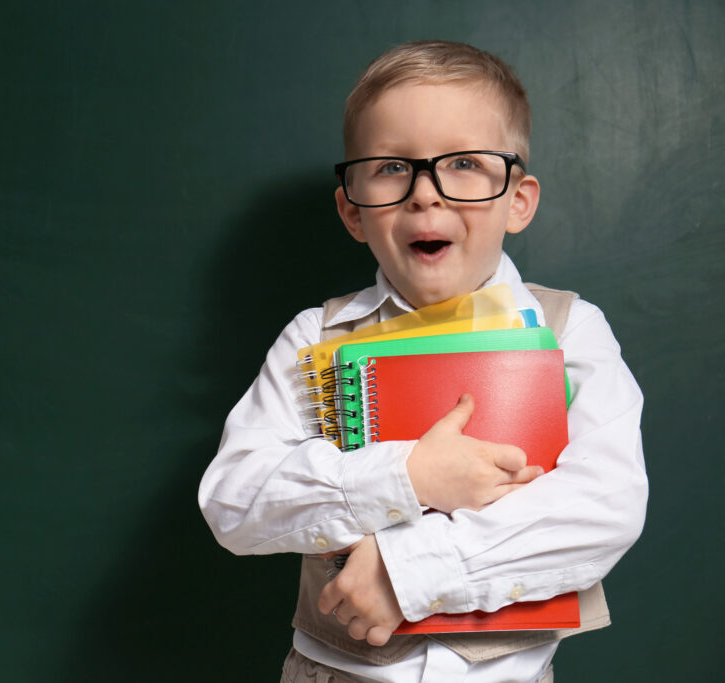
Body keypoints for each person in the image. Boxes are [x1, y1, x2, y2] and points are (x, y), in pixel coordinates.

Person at [198, 40, 647, 683]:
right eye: (389, 167)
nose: (425, 195)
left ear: (518, 199)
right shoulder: (311, 337)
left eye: (464, 162)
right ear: (352, 209)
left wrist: (405, 572)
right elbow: (233, 503)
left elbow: (605, 506)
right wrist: (409, 475)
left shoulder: (572, 332)